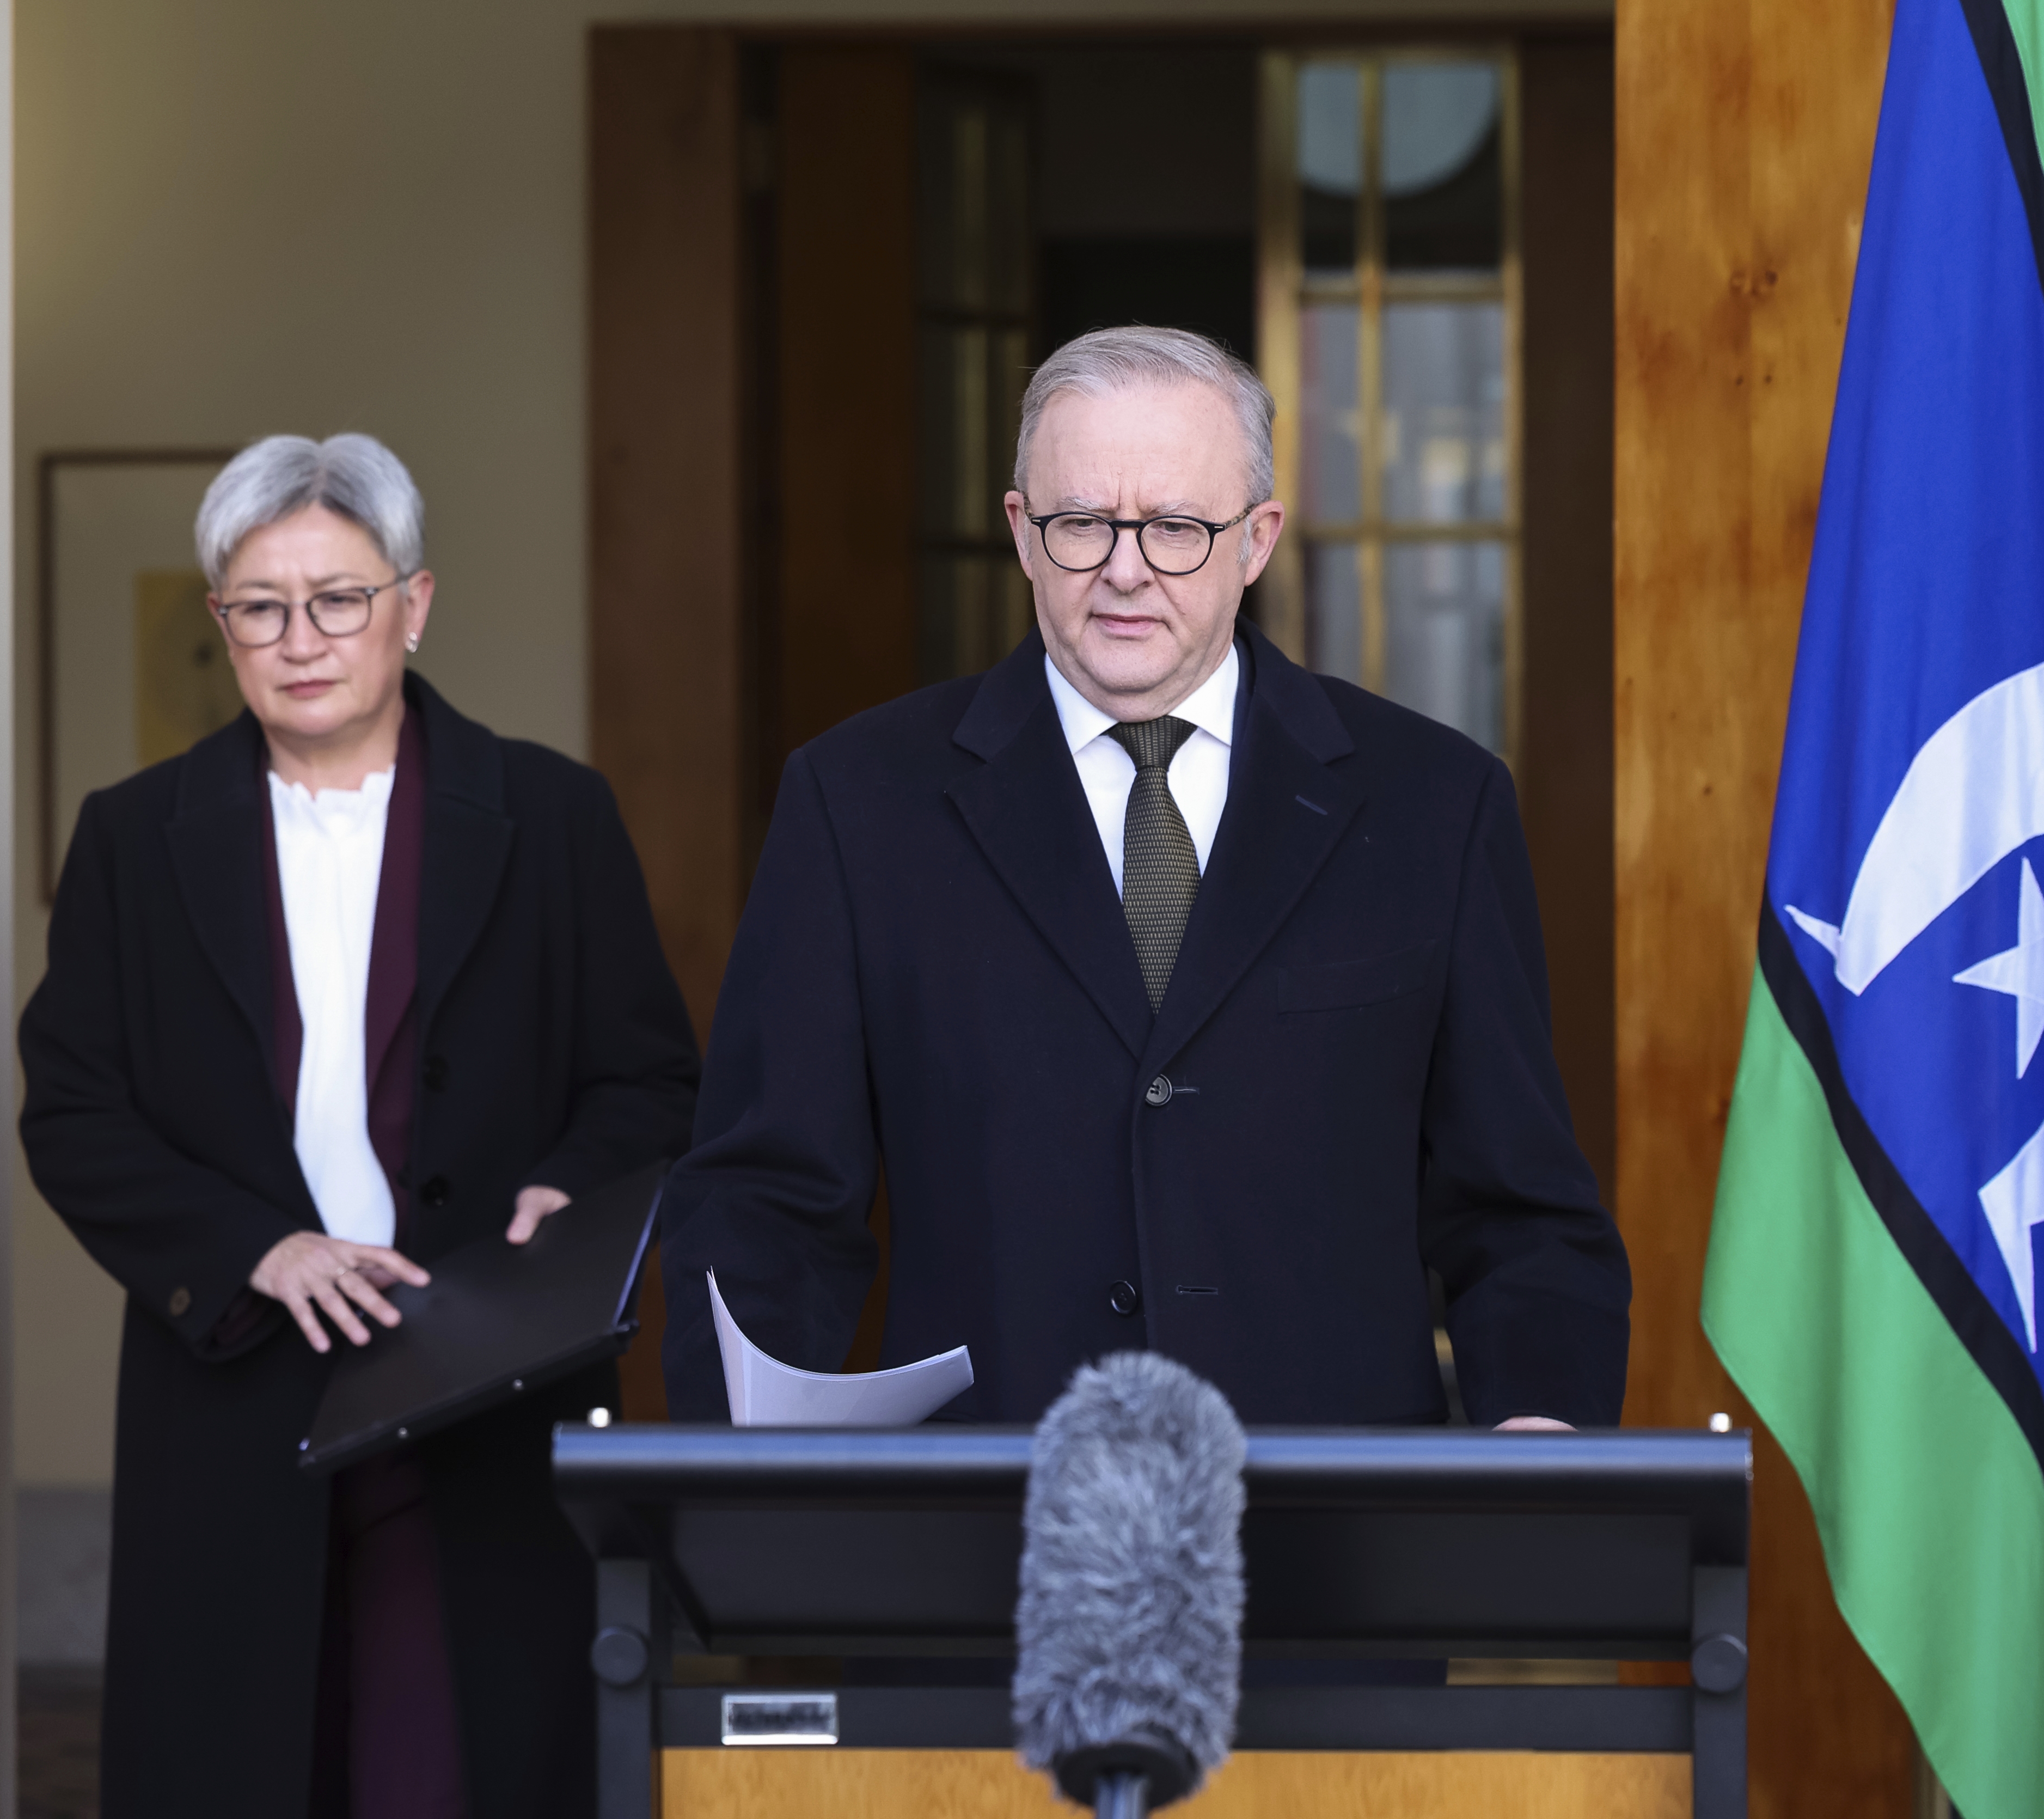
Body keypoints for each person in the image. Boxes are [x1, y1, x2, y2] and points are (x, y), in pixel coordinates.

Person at [658, 328, 1628, 1431]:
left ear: (1256, 541)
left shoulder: (1434, 806)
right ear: (1022, 533)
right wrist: (740, 1472)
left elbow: (1521, 1213)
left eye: (1175, 527)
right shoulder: (858, 802)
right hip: (994, 1509)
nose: (1126, 569)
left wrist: (1539, 1443)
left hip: (1333, 1515)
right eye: (1082, 523)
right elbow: (766, 1204)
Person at [19, 434, 699, 1819]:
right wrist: (257, 1249)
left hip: (490, 1383)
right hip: (234, 1392)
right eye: (260, 606)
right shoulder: (133, 837)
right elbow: (74, 1109)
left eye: (338, 598)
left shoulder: (554, 815)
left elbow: (649, 1081)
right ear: (223, 622)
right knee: (242, 1767)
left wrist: (569, 1192)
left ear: (414, 603)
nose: (301, 639)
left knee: (466, 1765)